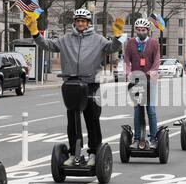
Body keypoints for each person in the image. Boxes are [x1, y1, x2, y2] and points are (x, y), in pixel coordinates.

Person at [23, 9, 125, 166]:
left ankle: (94, 152)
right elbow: (48, 45)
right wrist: (35, 32)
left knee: (92, 119)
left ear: (89, 23)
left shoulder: (98, 39)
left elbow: (112, 48)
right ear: (74, 22)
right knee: (73, 121)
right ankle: (74, 153)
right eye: (78, 21)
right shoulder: (66, 39)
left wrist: (118, 37)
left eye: (84, 21)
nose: (81, 23)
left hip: (91, 84)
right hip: (71, 84)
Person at [124, 18, 160, 149]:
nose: (140, 32)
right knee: (137, 109)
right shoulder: (130, 43)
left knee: (150, 109)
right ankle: (137, 138)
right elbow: (126, 60)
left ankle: (154, 138)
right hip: (136, 80)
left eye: (143, 30)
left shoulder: (154, 43)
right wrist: (127, 72)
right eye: (138, 30)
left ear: (148, 30)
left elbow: (157, 60)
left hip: (150, 80)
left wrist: (153, 71)